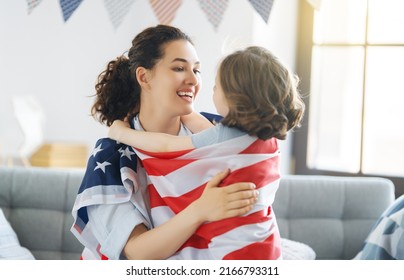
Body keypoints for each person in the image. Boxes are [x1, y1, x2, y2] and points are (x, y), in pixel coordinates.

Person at [70, 25, 259, 260]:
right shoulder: (112, 157)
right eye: (179, 68)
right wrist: (200, 211)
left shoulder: (219, 130)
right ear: (143, 77)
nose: (193, 80)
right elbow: (136, 252)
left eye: (197, 70)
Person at [108, 46, 305, 259]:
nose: (210, 90)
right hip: (266, 244)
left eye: (217, 87)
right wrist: (178, 105)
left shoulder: (222, 138)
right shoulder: (268, 141)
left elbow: (165, 146)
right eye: (179, 68)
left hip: (232, 250)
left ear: (236, 98)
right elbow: (196, 122)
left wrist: (121, 132)